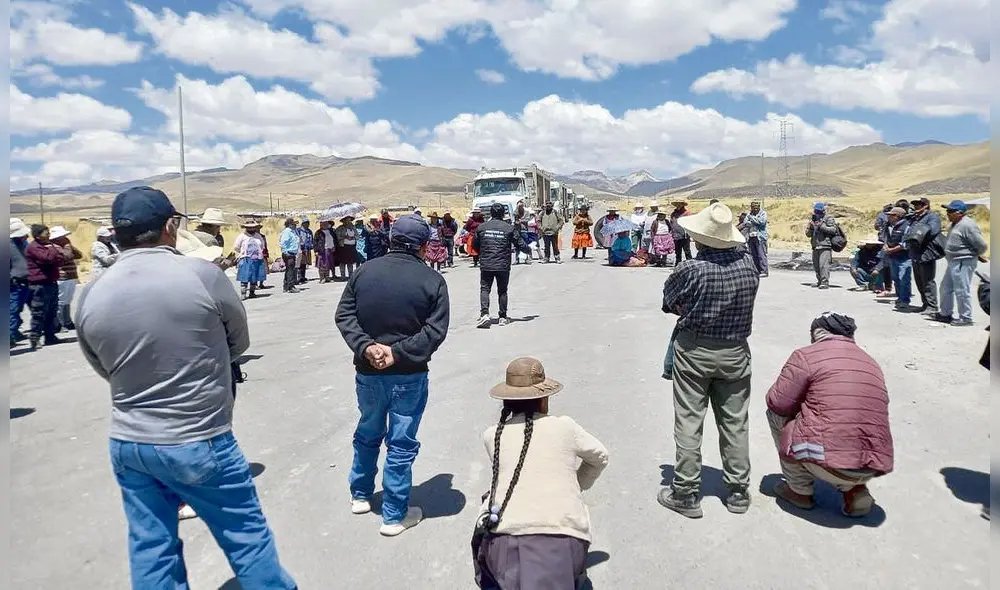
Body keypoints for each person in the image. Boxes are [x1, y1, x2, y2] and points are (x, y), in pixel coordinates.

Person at [73, 186, 296, 588]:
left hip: (129, 441)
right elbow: (238, 343)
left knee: (151, 546)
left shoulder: (91, 292)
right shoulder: (202, 275)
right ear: (170, 227)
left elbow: (102, 366)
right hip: (198, 436)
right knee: (246, 538)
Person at [334, 214, 450, 537]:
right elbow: (435, 332)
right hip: (409, 375)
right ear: (424, 246)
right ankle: (394, 515)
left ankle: (360, 494)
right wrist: (396, 352)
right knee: (400, 443)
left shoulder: (363, 272)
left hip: (368, 372)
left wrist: (367, 347)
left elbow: (344, 315)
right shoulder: (432, 280)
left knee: (368, 431)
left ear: (389, 240)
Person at [658, 203, 759, 518]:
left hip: (695, 350)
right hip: (736, 351)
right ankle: (738, 491)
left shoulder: (690, 269)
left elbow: (669, 302)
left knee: (689, 420)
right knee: (735, 422)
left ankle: (686, 492)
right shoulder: (749, 267)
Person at [474, 357, 609, 589]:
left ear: (507, 401)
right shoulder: (565, 427)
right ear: (544, 400)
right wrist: (576, 485)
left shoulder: (492, 435)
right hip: (564, 537)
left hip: (503, 540)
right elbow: (600, 456)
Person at [765, 313, 894, 518]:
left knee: (776, 415)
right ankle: (855, 488)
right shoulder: (870, 361)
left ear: (816, 333)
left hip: (830, 462)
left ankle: (799, 490)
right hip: (872, 464)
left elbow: (777, 402)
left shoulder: (806, 356)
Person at [474, 203, 531, 328]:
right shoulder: (509, 228)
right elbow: (520, 243)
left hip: (487, 263)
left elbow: (475, 245)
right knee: (502, 291)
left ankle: (484, 314)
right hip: (502, 265)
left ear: (491, 213)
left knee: (485, 289)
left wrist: (483, 253)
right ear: (503, 214)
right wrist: (529, 250)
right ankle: (503, 317)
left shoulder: (482, 227)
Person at [934, 200, 989, 327]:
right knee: (945, 288)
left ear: (959, 213)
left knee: (962, 290)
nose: (947, 213)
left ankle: (966, 317)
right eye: (947, 210)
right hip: (953, 261)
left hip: (963, 260)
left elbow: (982, 245)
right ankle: (945, 314)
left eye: (950, 211)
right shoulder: (953, 224)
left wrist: (975, 254)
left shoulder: (967, 225)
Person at [25, 224, 74, 350]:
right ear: (37, 236)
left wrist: (54, 253)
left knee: (51, 312)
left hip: (51, 282)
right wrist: (52, 249)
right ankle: (35, 338)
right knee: (39, 312)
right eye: (46, 233)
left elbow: (60, 258)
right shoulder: (33, 247)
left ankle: (50, 336)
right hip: (39, 284)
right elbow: (47, 258)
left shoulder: (47, 246)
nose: (48, 235)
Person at [902, 198, 944, 315]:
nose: (916, 207)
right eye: (915, 205)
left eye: (918, 204)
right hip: (915, 252)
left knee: (928, 281)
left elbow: (933, 231)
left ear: (925, 206)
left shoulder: (932, 217)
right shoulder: (914, 218)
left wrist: (918, 232)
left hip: (926, 252)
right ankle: (925, 304)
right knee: (919, 280)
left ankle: (932, 306)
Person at [50, 225, 83, 331]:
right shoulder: (53, 246)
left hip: (71, 275)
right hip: (62, 276)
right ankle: (60, 323)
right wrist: (68, 249)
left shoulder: (66, 245)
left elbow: (79, 255)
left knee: (68, 300)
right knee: (61, 300)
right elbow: (65, 257)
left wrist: (69, 247)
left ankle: (67, 321)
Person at [882, 207, 912, 311]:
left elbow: (905, 244)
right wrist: (886, 246)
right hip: (892, 256)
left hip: (904, 257)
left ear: (897, 216)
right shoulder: (889, 226)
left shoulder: (907, 226)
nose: (889, 217)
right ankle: (900, 298)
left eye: (891, 215)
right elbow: (886, 238)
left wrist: (891, 250)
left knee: (904, 279)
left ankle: (905, 300)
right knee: (896, 279)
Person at [805, 202, 841, 289]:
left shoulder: (828, 218)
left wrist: (821, 226)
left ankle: (825, 282)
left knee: (823, 266)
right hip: (815, 245)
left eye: (819, 211)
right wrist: (811, 227)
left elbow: (833, 230)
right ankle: (819, 281)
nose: (817, 213)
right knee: (816, 266)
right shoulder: (813, 219)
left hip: (825, 245)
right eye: (816, 211)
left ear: (823, 211)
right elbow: (808, 234)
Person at [10, 218, 32, 347]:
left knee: (18, 309)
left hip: (27, 281)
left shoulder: (24, 243)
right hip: (14, 283)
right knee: (12, 310)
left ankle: (15, 332)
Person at [233, 219, 268, 299]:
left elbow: (262, 246)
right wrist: (243, 253)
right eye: (249, 227)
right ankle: (243, 293)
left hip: (257, 259)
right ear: (246, 228)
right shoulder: (242, 236)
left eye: (253, 227)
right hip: (246, 259)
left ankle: (252, 292)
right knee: (245, 276)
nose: (251, 229)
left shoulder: (258, 236)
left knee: (254, 276)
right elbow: (236, 247)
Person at [741, 200, 769, 276]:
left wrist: (752, 219)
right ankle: (757, 270)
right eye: (754, 207)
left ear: (759, 207)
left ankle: (764, 271)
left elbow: (762, 222)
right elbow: (746, 223)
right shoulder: (749, 214)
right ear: (751, 207)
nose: (755, 209)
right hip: (751, 237)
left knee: (761, 254)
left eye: (757, 208)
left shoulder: (763, 213)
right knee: (753, 255)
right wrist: (755, 221)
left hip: (760, 237)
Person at [278, 217, 302, 293]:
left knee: (289, 270)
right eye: (293, 224)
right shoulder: (287, 232)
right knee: (290, 271)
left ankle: (286, 286)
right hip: (288, 253)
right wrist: (286, 251)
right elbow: (283, 242)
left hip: (292, 253)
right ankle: (290, 286)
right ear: (290, 225)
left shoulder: (293, 232)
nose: (295, 226)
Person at [335, 216, 359, 280]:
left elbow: (357, 236)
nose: (348, 222)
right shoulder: (340, 228)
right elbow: (337, 236)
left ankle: (350, 275)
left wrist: (353, 237)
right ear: (344, 221)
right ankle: (343, 276)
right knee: (342, 262)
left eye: (349, 220)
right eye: (347, 220)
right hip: (343, 247)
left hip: (351, 247)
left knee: (350, 262)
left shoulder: (353, 228)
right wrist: (345, 237)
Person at [670, 198, 693, 264]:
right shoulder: (673, 214)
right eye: (677, 204)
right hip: (676, 235)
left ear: (683, 204)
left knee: (687, 251)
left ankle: (690, 264)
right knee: (677, 251)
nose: (678, 205)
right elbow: (671, 223)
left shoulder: (687, 213)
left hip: (685, 235)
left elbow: (690, 223)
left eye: (680, 204)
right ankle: (678, 264)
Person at [295, 218, 314, 284]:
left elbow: (311, 239)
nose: (307, 224)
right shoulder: (298, 230)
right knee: (300, 263)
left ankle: (303, 276)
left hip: (307, 249)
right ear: (303, 224)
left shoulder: (309, 231)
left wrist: (311, 245)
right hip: (301, 249)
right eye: (306, 223)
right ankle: (299, 277)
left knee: (304, 263)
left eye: (308, 223)